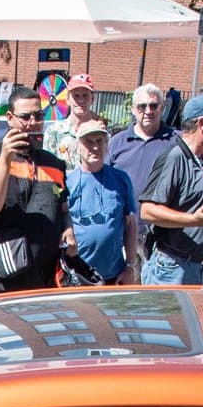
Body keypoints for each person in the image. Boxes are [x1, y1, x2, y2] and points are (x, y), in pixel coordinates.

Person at [0, 86, 71, 296]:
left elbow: (62, 207)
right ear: (9, 118)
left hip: (45, 280)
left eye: (38, 115)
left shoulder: (54, 164)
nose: (33, 122)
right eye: (25, 117)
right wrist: (5, 160)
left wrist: (68, 229)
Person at [139, 94, 203, 285]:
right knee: (171, 316)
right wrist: (192, 220)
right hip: (174, 268)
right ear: (202, 124)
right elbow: (147, 211)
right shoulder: (174, 157)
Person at [64, 119, 140, 284]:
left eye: (100, 141)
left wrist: (130, 266)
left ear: (107, 144)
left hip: (114, 275)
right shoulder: (67, 181)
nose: (95, 147)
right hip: (77, 275)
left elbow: (130, 225)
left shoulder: (121, 179)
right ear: (78, 145)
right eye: (88, 142)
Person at [108, 84, 173, 203]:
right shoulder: (116, 142)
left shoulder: (175, 141)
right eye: (142, 107)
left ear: (162, 108)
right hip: (123, 219)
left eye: (153, 106)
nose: (148, 111)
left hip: (161, 219)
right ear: (133, 110)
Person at [43, 73, 101, 168]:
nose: (81, 100)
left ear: (93, 99)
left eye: (85, 95)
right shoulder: (54, 132)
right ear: (67, 99)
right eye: (76, 96)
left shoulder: (100, 132)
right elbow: (48, 169)